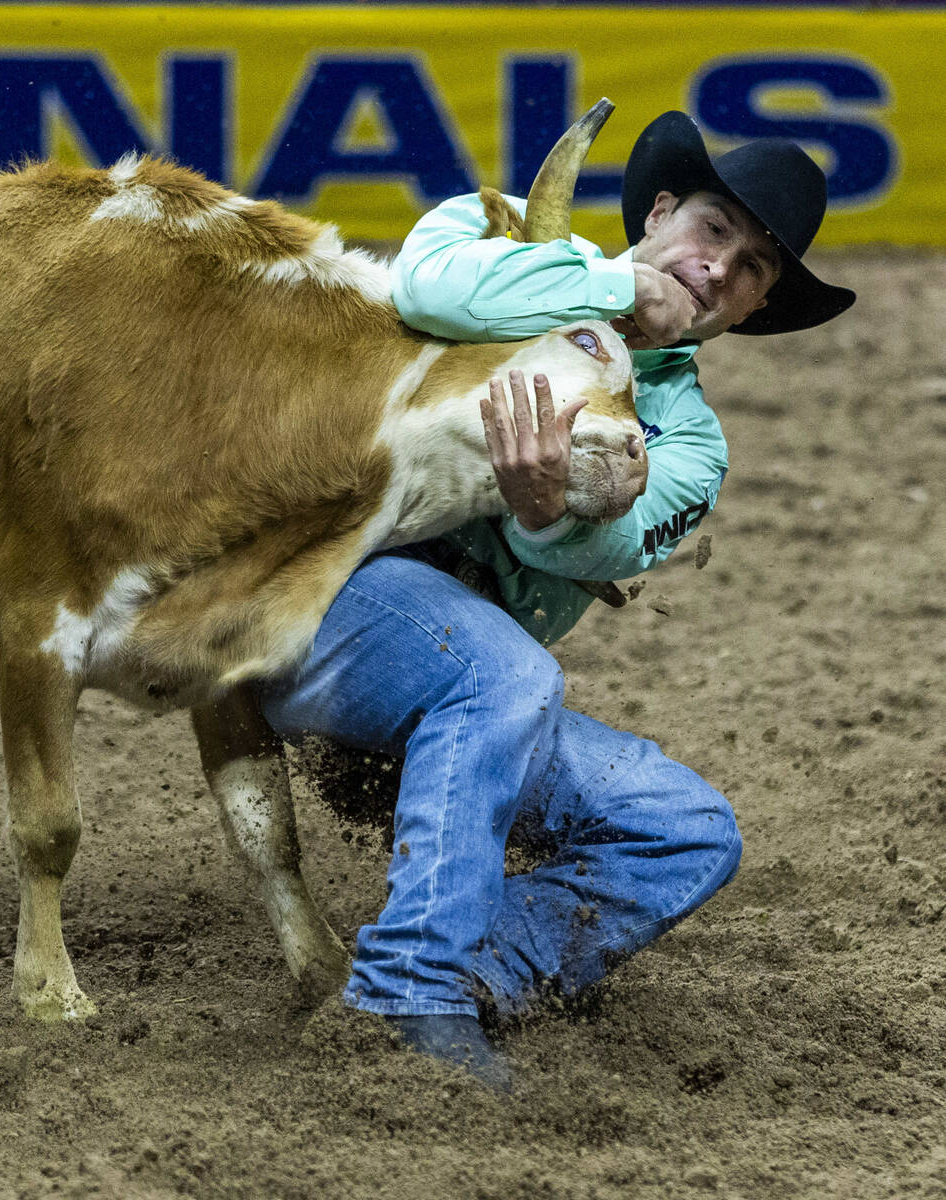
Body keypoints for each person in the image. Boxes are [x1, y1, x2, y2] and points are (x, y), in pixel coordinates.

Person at [258, 111, 855, 1090]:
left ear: (751, 311)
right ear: (659, 210)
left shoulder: (690, 441)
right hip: (310, 591)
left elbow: (618, 537)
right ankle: (411, 992)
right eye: (712, 230)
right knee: (503, 672)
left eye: (750, 269)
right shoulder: (497, 232)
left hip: (457, 698)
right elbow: (424, 285)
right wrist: (617, 290)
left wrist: (547, 510)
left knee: (688, 830)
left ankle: (483, 968)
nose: (716, 270)